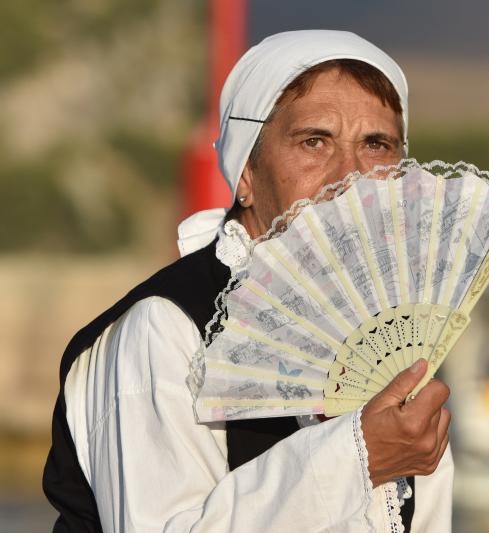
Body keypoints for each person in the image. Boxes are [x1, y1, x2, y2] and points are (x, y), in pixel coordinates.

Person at [43, 30, 453, 532]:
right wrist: (356, 458)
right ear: (246, 173)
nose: (349, 176)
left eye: (376, 144)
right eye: (314, 141)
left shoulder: (396, 343)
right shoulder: (165, 329)